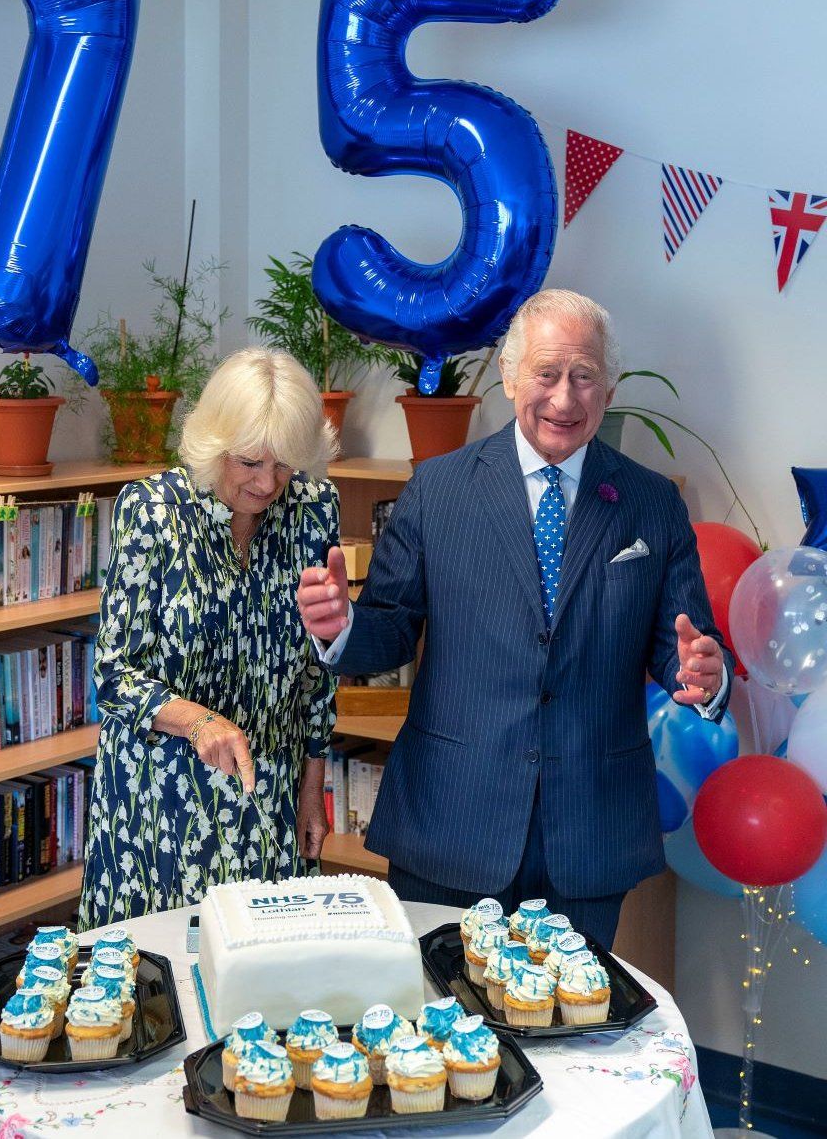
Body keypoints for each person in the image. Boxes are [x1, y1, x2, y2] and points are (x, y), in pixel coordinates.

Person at [298, 289, 734, 949]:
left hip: (588, 835)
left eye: (584, 376)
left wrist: (705, 675)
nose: (565, 399)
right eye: (547, 373)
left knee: (573, 1033)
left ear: (608, 388)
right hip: (451, 824)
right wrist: (340, 627)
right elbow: (389, 626)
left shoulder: (650, 504)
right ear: (508, 377)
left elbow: (680, 645)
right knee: (440, 1037)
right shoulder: (438, 490)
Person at [79, 348, 339, 928]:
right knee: (157, 989)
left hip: (266, 793)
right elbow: (114, 677)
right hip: (161, 807)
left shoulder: (314, 510)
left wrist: (312, 788)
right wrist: (200, 722)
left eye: (286, 465)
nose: (268, 483)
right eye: (250, 462)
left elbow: (318, 670)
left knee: (266, 990)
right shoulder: (151, 513)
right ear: (215, 444)